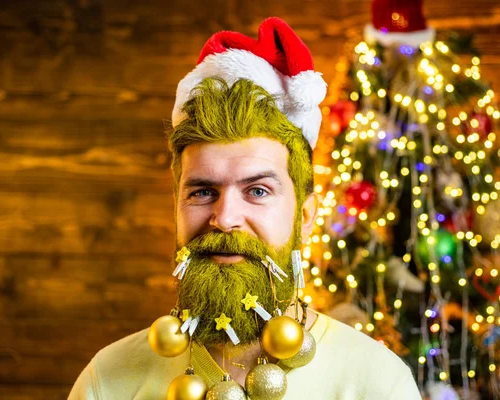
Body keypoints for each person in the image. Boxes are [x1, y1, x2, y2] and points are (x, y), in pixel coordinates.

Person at [69, 17, 421, 400]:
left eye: (257, 190)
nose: (225, 219)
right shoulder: (107, 381)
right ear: (176, 208)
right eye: (202, 192)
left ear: (304, 215)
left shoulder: (378, 383)